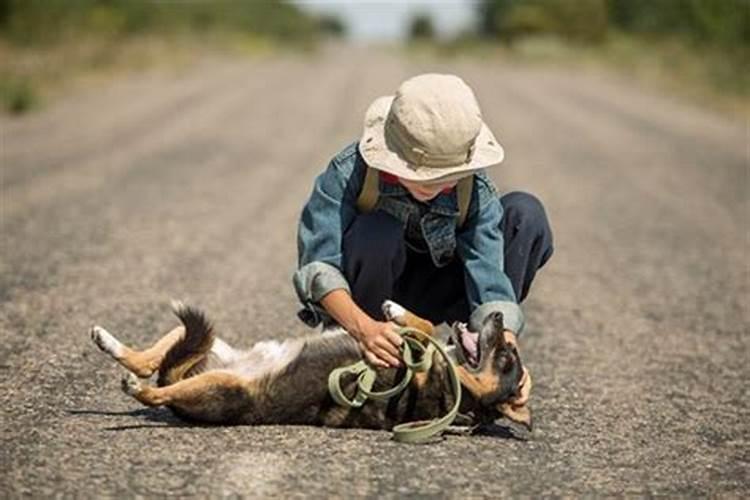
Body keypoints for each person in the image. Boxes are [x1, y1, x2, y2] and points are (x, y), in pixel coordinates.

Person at [293, 73, 553, 382]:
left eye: (447, 175)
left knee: (525, 213)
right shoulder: (350, 172)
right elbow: (319, 267)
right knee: (378, 229)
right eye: (422, 173)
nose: (435, 184)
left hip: (442, 290)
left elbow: (490, 281)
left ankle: (474, 350)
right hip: (370, 294)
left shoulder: (475, 188)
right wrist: (364, 329)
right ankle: (370, 348)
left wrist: (505, 354)